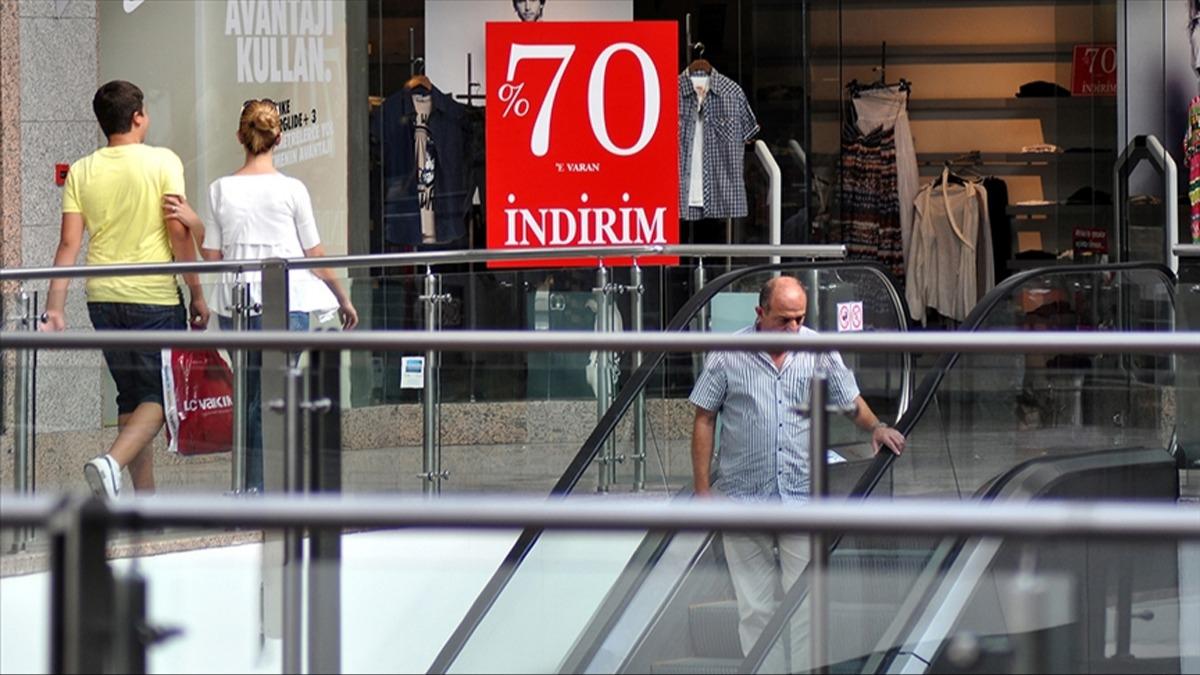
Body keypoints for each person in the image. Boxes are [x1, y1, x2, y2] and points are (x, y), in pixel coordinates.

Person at [689, 275, 905, 661]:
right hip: (743, 499)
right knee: (754, 609)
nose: (793, 328)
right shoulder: (727, 353)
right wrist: (703, 493)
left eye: (799, 318)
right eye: (783, 319)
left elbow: (850, 400)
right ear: (760, 312)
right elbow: (704, 418)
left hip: (802, 497)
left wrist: (877, 427)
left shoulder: (818, 350)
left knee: (805, 606)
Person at [167, 98, 357, 492]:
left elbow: (213, 257)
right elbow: (315, 255)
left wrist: (197, 224)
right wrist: (342, 297)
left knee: (251, 394)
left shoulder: (221, 190)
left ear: (240, 137)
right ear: (278, 138)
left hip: (238, 304)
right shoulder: (292, 190)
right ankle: (269, 488)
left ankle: (254, 487)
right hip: (290, 303)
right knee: (274, 396)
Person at [41, 80, 209, 498]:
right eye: (146, 112)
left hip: (102, 298)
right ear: (137, 117)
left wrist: (55, 306)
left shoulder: (82, 170)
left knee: (130, 398)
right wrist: (197, 292)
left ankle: (143, 504)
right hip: (153, 297)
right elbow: (178, 233)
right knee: (160, 396)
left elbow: (68, 243)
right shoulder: (163, 161)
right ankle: (111, 463)